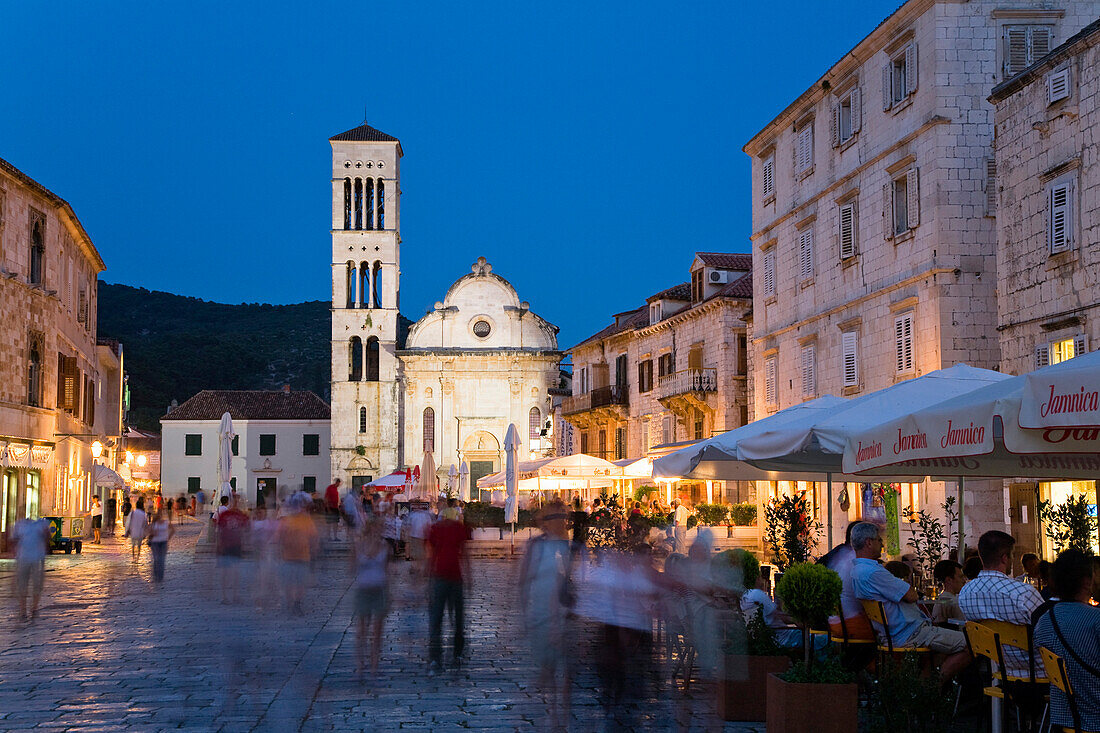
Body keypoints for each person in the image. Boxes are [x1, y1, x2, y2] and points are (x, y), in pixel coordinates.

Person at [849, 521, 970, 682]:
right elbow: (911, 595)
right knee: (973, 644)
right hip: (910, 633)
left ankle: (924, 686)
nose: (882, 543)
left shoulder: (856, 571)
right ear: (868, 542)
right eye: (879, 539)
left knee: (939, 649)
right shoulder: (874, 572)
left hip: (893, 633)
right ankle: (933, 689)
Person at [957, 530, 1044, 679]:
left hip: (999, 670)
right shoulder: (1022, 592)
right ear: (1005, 558)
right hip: (1040, 671)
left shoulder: (966, 593)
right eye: (1012, 556)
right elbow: (1048, 630)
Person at [518, 501, 574, 730]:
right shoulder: (538, 546)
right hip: (542, 611)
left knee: (563, 670)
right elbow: (524, 579)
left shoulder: (565, 546)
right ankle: (553, 712)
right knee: (548, 669)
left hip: (557, 611)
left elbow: (566, 580)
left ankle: (559, 715)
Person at [1034, 549, 1100, 731]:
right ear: (1087, 581)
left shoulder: (1044, 621)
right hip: (1094, 716)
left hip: (1064, 716)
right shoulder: (1095, 619)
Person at [426, 506, 471, 674]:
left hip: (440, 576)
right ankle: (457, 655)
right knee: (457, 618)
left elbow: (431, 554)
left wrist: (427, 574)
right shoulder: (459, 529)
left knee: (437, 619)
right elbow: (464, 553)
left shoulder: (435, 529)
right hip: (455, 576)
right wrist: (470, 575)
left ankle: (436, 658)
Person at [351, 517, 390, 679]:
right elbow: (351, 567)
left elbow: (387, 570)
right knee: (362, 630)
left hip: (379, 588)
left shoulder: (385, 546)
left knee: (377, 631)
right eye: (374, 530)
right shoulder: (358, 546)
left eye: (379, 530)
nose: (377, 533)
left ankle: (374, 666)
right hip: (363, 589)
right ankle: (360, 665)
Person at [277, 494, 319, 614]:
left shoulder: (304, 520)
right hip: (291, 556)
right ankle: (293, 603)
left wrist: (314, 548)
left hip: (300, 556)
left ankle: (295, 603)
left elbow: (314, 537)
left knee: (297, 582)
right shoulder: (288, 520)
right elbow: (279, 536)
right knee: (292, 583)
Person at [11, 515, 52, 622]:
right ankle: (23, 610)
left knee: (36, 584)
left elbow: (48, 537)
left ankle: (33, 608)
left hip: (36, 558)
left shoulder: (41, 524)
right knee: (23, 585)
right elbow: (14, 539)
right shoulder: (20, 524)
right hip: (24, 558)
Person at [215, 497, 249, 603]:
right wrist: (218, 544)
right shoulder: (225, 515)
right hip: (225, 545)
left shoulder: (241, 515)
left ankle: (235, 595)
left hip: (236, 545)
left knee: (236, 571)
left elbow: (246, 529)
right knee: (225, 572)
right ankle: (224, 596)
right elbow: (219, 530)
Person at [931, 560, 966, 624]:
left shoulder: (941, 599)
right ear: (949, 580)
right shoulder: (954, 602)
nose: (964, 580)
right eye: (960, 577)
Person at [147, 508, 175, 583]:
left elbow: (173, 530)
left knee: (161, 559)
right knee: (156, 558)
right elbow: (149, 532)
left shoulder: (166, 522)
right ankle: (156, 574)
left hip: (163, 542)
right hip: (155, 542)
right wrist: (153, 533)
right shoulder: (153, 524)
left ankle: (160, 576)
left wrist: (168, 537)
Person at [404, 501, 433, 570]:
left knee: (416, 552)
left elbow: (408, 525)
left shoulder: (413, 515)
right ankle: (419, 567)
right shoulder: (425, 515)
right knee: (420, 552)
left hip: (416, 536)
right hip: (421, 536)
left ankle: (416, 567)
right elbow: (430, 525)